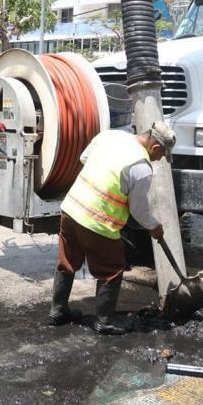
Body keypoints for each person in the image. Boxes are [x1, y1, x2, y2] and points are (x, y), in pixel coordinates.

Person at [51, 122, 176, 335]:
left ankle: (58, 310)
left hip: (71, 209)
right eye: (162, 155)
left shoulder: (111, 136)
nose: (160, 159)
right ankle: (105, 320)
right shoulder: (142, 167)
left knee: (67, 262)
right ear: (155, 148)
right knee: (111, 270)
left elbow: (84, 158)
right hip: (98, 221)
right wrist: (154, 226)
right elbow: (138, 209)